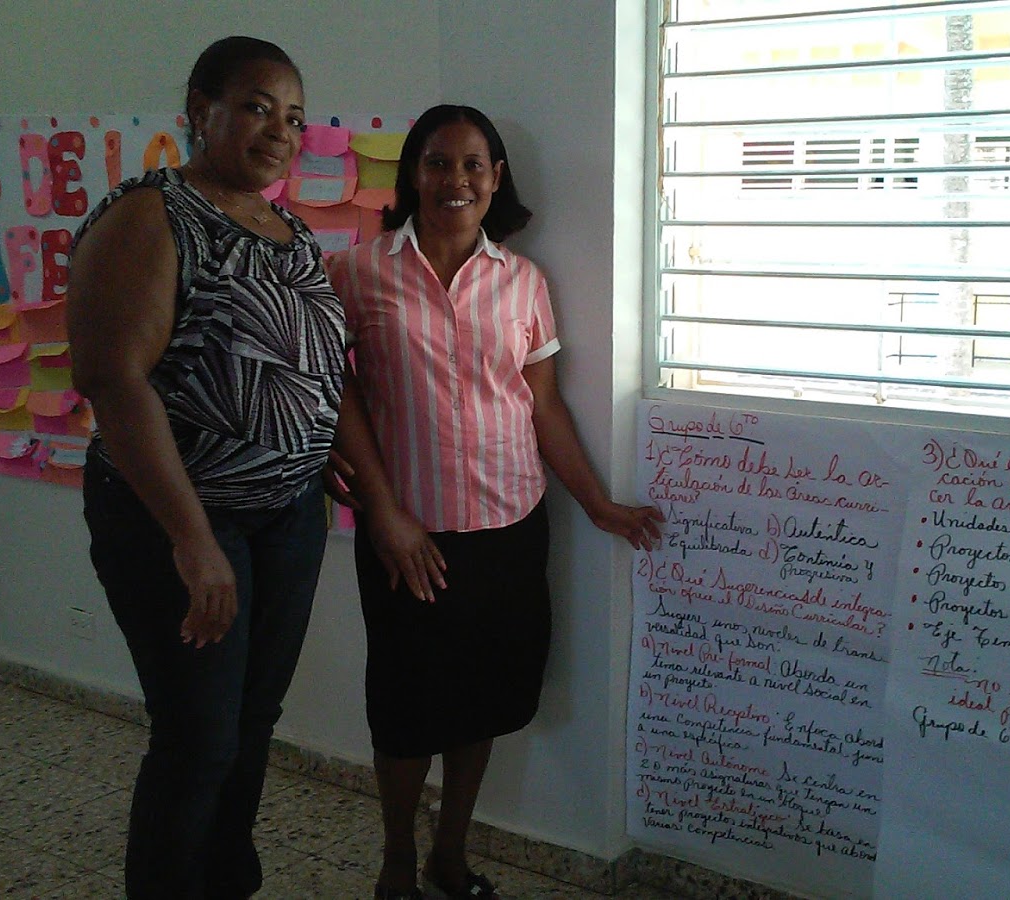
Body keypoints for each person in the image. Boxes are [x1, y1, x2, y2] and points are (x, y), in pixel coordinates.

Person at [324, 104, 665, 900]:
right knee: (406, 709)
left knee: (480, 703)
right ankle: (397, 863)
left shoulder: (523, 281)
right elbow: (335, 390)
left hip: (508, 529)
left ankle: (449, 855)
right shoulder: (356, 272)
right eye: (439, 162)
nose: (456, 179)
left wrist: (598, 504)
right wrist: (379, 507)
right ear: (413, 173)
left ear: (496, 177)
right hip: (408, 532)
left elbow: (542, 405)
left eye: (473, 164)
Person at [67, 37, 343, 899]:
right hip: (181, 518)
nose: (279, 131)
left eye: (293, 117)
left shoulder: (289, 229)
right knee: (198, 739)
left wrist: (317, 452)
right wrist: (192, 541)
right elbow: (113, 380)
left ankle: (225, 882)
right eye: (258, 107)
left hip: (287, 515)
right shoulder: (151, 216)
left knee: (252, 723)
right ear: (200, 110)